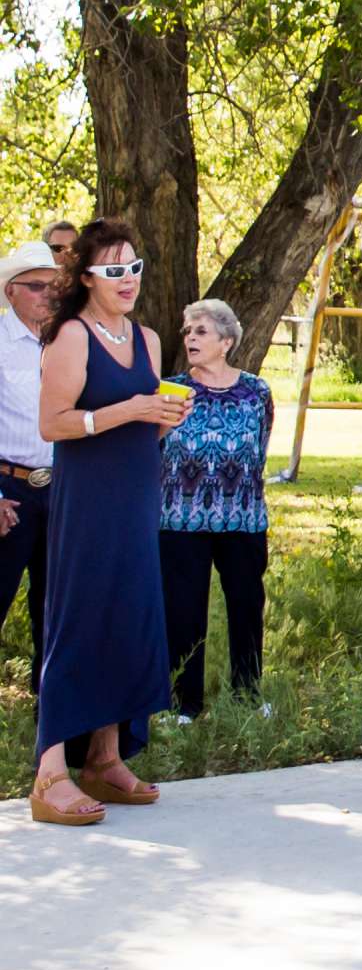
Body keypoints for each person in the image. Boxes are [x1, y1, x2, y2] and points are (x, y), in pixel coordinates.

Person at [29, 218, 189, 825]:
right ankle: (49, 774)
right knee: (79, 621)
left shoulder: (146, 338)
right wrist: (125, 411)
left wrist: (160, 418)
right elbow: (54, 424)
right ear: (87, 278)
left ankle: (105, 756)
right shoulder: (71, 335)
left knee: (128, 616)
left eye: (135, 268)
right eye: (113, 271)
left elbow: (142, 418)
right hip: (89, 502)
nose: (128, 281)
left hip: (136, 497)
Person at [158, 299, 273, 721]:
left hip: (242, 518)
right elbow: (153, 448)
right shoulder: (169, 390)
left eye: (201, 331)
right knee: (183, 611)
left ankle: (248, 693)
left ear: (226, 342)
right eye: (188, 331)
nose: (190, 337)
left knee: (246, 605)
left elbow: (259, 449)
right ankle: (183, 703)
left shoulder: (257, 391)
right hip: (180, 519)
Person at [0, 240, 60, 687]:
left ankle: (51, 712)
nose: (48, 294)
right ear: (10, 292)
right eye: (37, 286)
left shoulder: (71, 342)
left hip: (64, 491)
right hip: (11, 492)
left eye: (54, 285)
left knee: (55, 606)